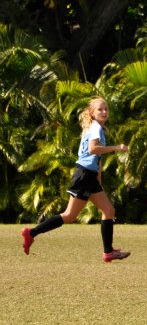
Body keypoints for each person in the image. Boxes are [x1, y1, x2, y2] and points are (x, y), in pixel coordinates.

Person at [21, 97, 131, 262]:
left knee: (109, 211)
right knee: (69, 215)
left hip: (89, 176)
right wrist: (117, 148)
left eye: (106, 109)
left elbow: (96, 158)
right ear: (92, 113)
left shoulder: (96, 128)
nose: (104, 111)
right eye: (100, 109)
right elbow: (93, 149)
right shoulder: (95, 128)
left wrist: (98, 180)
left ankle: (108, 252)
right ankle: (31, 233)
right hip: (84, 175)